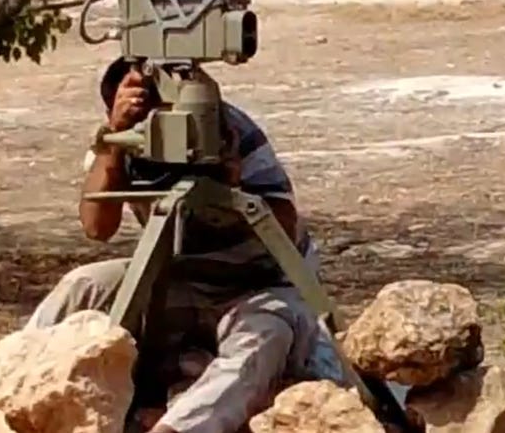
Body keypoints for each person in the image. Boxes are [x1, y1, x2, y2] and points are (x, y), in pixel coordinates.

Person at [25, 56, 347, 433]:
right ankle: (13, 383)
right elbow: (97, 226)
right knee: (84, 285)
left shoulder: (229, 131)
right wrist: (115, 140)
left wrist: (232, 189)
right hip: (179, 279)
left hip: (259, 285)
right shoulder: (124, 139)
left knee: (262, 339)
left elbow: (285, 229)